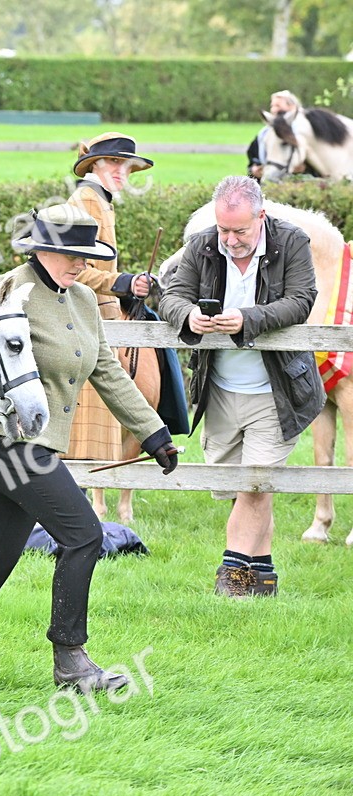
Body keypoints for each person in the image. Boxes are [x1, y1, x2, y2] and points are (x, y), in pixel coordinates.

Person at [0, 203, 178, 692]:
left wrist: (153, 433)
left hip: (40, 444)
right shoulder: (6, 291)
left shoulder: (83, 299)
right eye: (72, 255)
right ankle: (71, 659)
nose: (80, 264)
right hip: (3, 441)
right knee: (84, 535)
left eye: (86, 256)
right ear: (42, 250)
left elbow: (106, 370)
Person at [160, 176, 324, 597]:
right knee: (238, 487)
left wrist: (248, 319)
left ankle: (231, 576)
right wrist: (188, 316)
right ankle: (263, 575)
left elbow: (302, 300)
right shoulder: (202, 244)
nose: (230, 240)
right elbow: (171, 296)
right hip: (219, 388)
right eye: (223, 230)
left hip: (277, 389)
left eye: (240, 231)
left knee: (255, 482)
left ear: (261, 216)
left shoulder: (292, 242)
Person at [64, 132, 155, 462]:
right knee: (86, 430)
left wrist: (130, 285)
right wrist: (124, 282)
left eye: (128, 165)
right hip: (88, 319)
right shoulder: (87, 200)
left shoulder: (101, 200)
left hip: (101, 316)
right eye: (114, 162)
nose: (122, 171)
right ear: (94, 164)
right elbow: (75, 270)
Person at [247, 91, 300, 180]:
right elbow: (253, 159)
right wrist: (253, 170)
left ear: (292, 107)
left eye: (278, 106)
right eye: (272, 106)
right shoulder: (264, 134)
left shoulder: (300, 132)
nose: (274, 110)